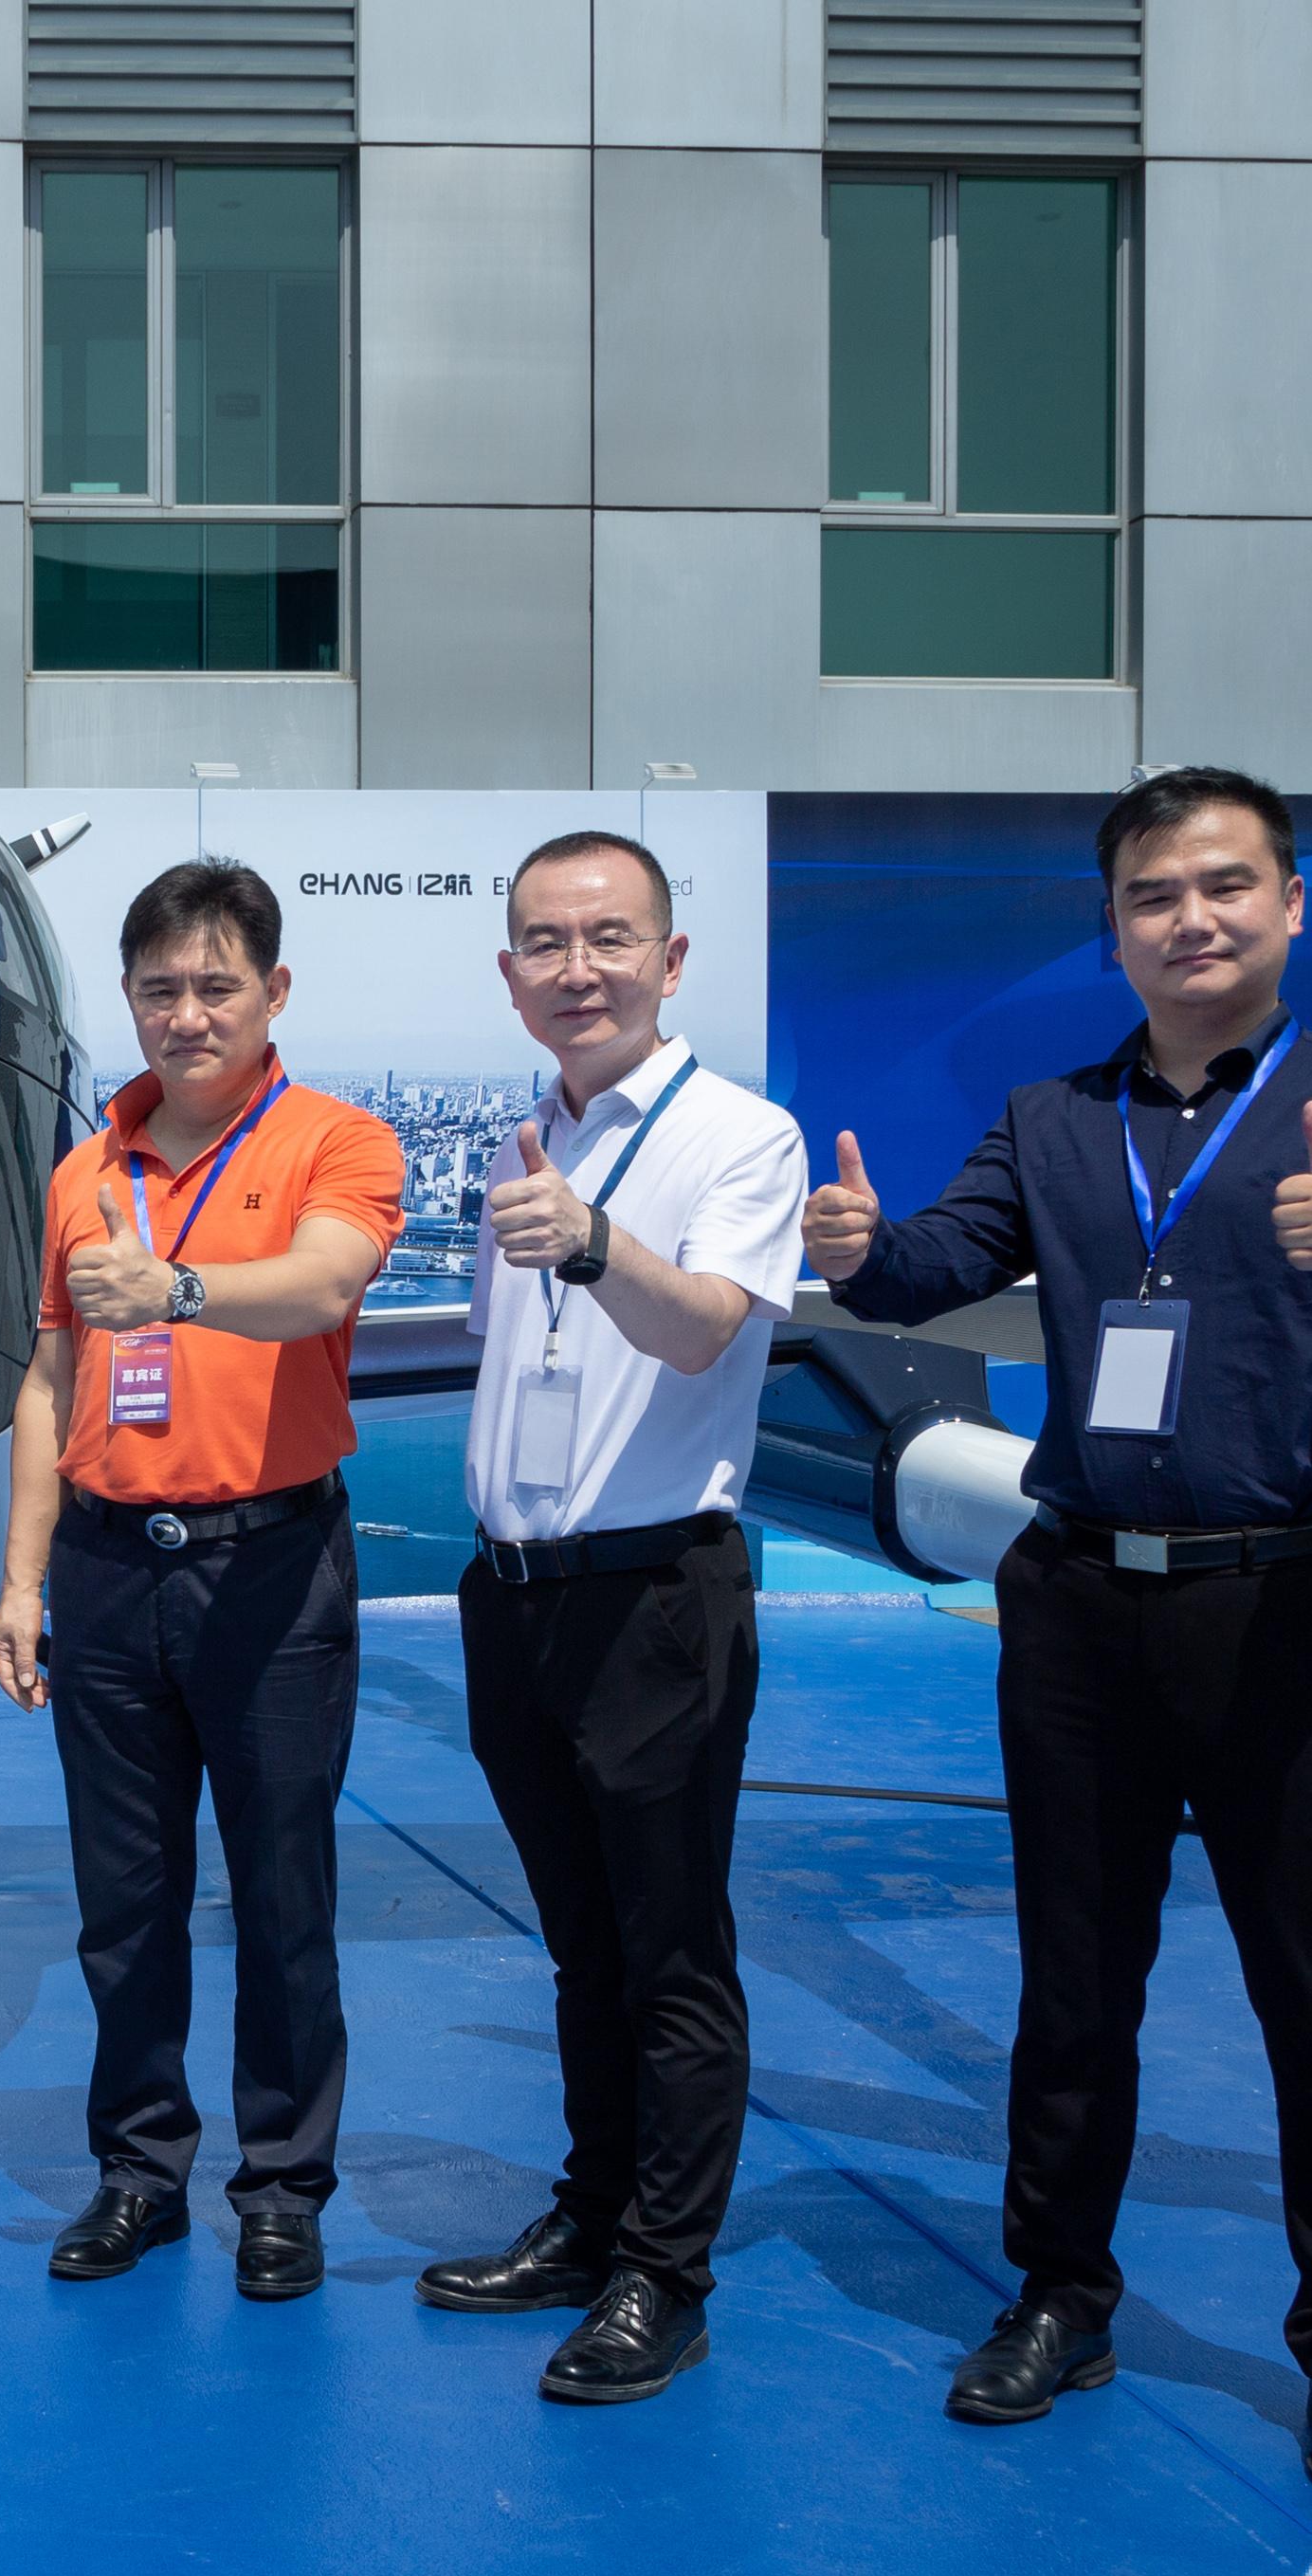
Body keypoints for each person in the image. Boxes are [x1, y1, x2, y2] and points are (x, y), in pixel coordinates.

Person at [808, 764, 1312, 2500]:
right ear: (1111, 928)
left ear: (1290, 905)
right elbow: (939, 1264)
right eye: (1153, 896)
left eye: (1225, 886)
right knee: (1074, 1983)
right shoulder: (1054, 1118)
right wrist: (865, 1254)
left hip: (1289, 1607)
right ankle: (1061, 2296)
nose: (1192, 919)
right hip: (1082, 1604)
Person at [418, 831, 805, 2405]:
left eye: (609, 937)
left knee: (671, 1951)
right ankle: (592, 2219)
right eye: (546, 943)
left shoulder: (739, 1137)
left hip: (654, 1597)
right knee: (581, 1945)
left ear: (670, 958)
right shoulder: (534, 1137)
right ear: (511, 973)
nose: (577, 969)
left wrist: (591, 1238)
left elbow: (704, 1329)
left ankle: (666, 2273)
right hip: (516, 1600)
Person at [0, 860, 404, 2302]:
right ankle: (139, 2172)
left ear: (273, 994)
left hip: (269, 1570)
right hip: (108, 1571)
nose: (188, 1015)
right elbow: (49, 1380)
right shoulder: (84, 1171)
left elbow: (324, 1286)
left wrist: (172, 1290)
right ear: (128, 1000)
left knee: (283, 1894)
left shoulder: (336, 1141)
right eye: (160, 988)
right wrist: (22, 1580)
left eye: (217, 986)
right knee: (124, 1901)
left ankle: (281, 2187)